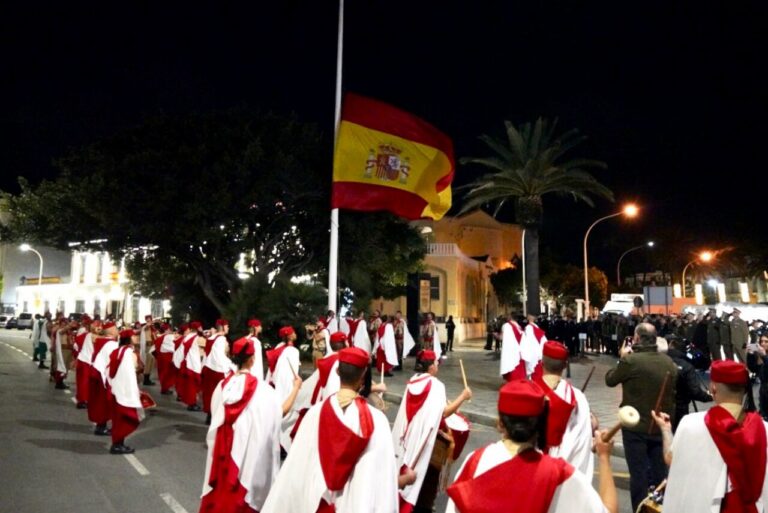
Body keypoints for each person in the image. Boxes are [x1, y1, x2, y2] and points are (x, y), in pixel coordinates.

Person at [445, 379, 618, 513]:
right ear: (542, 425)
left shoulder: (474, 462)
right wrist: (604, 457)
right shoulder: (558, 475)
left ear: (499, 423)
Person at [261, 347, 399, 513]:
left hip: (319, 503)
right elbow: (383, 478)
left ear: (337, 372)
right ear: (364, 375)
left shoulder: (314, 414)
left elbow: (297, 466)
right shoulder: (378, 421)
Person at [653, 360, 768, 512]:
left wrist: (666, 429)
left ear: (713, 388)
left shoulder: (690, 424)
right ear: (746, 390)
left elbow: (671, 459)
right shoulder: (764, 430)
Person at [199, 336, 282, 513]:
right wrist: (297, 389)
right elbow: (276, 414)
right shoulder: (264, 390)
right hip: (248, 452)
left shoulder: (222, 386)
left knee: (222, 493)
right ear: (253, 360)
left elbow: (216, 414)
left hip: (224, 450)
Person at [604, 322, 677, 512]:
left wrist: (622, 358)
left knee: (638, 475)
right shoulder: (667, 362)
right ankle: (659, 508)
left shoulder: (631, 361)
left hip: (635, 425)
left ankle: (639, 508)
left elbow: (610, 380)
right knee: (660, 473)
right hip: (660, 425)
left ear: (636, 338)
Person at [392, 349, 471, 513]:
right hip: (425, 440)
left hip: (409, 436)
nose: (438, 366)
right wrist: (463, 397)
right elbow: (444, 412)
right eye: (436, 363)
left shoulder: (413, 381)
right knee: (424, 474)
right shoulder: (436, 386)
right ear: (430, 367)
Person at [535, 341, 594, 476]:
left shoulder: (527, 392)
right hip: (566, 473)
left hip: (534, 472)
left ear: (542, 362)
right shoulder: (578, 398)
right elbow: (583, 437)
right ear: (565, 366)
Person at [265, 326, 304, 451]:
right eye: (293, 332)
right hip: (287, 386)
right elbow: (291, 374)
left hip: (277, 385)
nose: (295, 333)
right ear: (290, 336)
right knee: (288, 414)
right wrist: (294, 388)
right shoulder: (293, 351)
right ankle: (282, 445)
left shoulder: (279, 348)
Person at [665, 334, 712, 431]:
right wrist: (710, 396)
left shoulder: (659, 361)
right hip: (680, 408)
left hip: (658, 407)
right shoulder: (686, 366)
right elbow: (695, 392)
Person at [107, 329, 144, 454]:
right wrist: (134, 392)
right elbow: (130, 374)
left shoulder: (117, 351)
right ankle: (117, 445)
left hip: (116, 389)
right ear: (129, 339)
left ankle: (118, 443)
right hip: (124, 390)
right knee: (124, 419)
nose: (136, 337)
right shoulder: (128, 353)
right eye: (134, 336)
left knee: (118, 419)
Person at [89, 321, 120, 436]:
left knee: (100, 402)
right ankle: (101, 427)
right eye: (116, 328)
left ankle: (101, 425)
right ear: (111, 330)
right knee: (104, 402)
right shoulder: (111, 344)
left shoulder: (101, 341)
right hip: (103, 376)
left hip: (97, 374)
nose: (117, 330)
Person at [201, 319, 233, 421]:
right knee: (219, 394)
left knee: (209, 393)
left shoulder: (211, 338)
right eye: (227, 326)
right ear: (223, 327)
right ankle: (216, 416)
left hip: (208, 367)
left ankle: (209, 415)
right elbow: (220, 357)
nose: (228, 328)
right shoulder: (221, 339)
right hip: (217, 370)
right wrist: (231, 366)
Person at [174, 322, 204, 412]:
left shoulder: (187, 337)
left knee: (190, 386)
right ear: (198, 328)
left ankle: (191, 402)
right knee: (193, 386)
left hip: (187, 363)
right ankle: (192, 404)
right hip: (194, 364)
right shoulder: (197, 338)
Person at [73, 315, 95, 408]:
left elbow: (76, 344)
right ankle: (82, 400)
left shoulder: (86, 334)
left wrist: (77, 355)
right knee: (85, 382)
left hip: (82, 358)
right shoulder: (90, 335)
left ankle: (82, 398)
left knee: (81, 381)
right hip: (87, 360)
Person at [521, 313, 548, 379]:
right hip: (538, 351)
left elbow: (527, 342)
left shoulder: (528, 328)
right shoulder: (536, 327)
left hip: (532, 352)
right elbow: (543, 340)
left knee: (533, 372)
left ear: (528, 318)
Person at [153, 323, 177, 394]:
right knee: (168, 374)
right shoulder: (170, 337)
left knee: (163, 373)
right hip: (168, 357)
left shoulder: (161, 337)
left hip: (161, 357)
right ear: (168, 329)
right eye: (169, 329)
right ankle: (165, 388)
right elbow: (174, 347)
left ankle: (164, 388)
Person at [500, 315, 526, 381]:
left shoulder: (506, 326)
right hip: (519, 350)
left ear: (510, 317)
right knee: (518, 367)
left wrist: (496, 335)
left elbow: (502, 337)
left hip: (510, 351)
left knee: (511, 367)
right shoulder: (518, 326)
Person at [138, 314, 156, 386]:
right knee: (148, 362)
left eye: (150, 319)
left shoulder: (152, 328)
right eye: (147, 319)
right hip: (148, 346)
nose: (149, 320)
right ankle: (146, 380)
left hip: (152, 346)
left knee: (152, 362)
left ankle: (148, 378)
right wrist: (149, 324)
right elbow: (146, 327)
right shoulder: (145, 327)